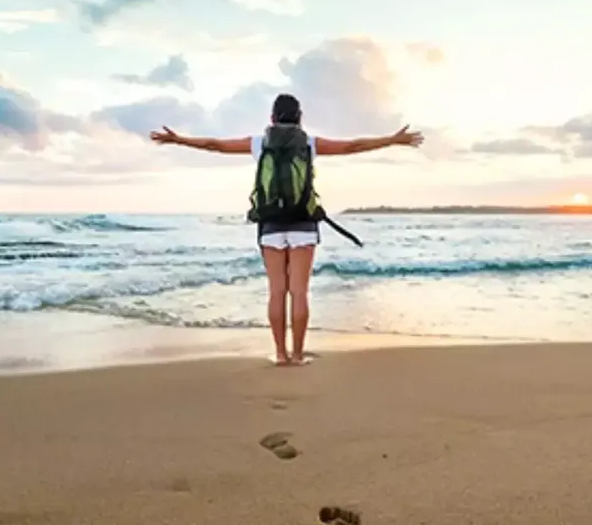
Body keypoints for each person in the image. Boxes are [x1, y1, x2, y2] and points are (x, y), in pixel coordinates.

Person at [149, 93, 424, 366]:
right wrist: (392, 140)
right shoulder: (310, 143)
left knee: (276, 291)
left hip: (270, 224)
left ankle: (280, 355)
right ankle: (298, 354)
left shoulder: (259, 143)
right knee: (300, 292)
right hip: (303, 222)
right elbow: (352, 147)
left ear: (271, 118)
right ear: (300, 118)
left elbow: (215, 145)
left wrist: (180, 139)